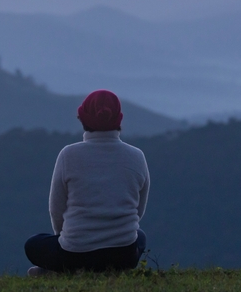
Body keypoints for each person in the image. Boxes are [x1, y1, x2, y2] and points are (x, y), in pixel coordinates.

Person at [25, 90, 149, 275]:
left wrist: (66, 239)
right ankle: (106, 270)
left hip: (75, 253)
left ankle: (65, 271)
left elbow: (56, 209)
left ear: (83, 119)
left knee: (33, 244)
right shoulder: (137, 156)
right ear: (118, 119)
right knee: (140, 236)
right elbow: (138, 211)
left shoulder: (68, 155)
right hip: (123, 255)